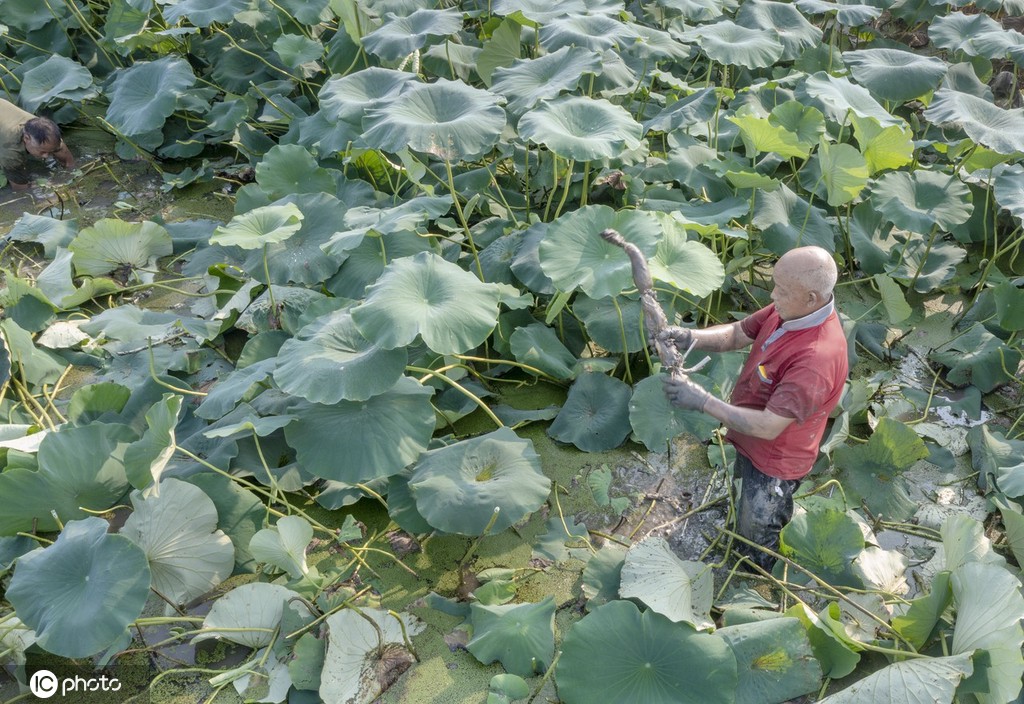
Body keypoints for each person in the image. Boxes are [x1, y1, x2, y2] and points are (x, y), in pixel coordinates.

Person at [658, 246, 849, 570]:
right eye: (775, 284)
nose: (773, 295)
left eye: (782, 290)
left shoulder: (816, 358)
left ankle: (758, 577)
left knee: (757, 533)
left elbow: (768, 427)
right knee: (741, 506)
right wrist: (689, 336)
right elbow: (737, 333)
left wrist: (702, 400)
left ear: (812, 298)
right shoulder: (791, 308)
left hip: (776, 460)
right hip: (747, 436)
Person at [0, 97, 75, 190]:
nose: (46, 156)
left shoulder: (46, 131)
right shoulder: (11, 152)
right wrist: (38, 187)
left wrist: (71, 174)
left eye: (50, 151)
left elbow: (69, 162)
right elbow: (19, 188)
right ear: (26, 138)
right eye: (42, 152)